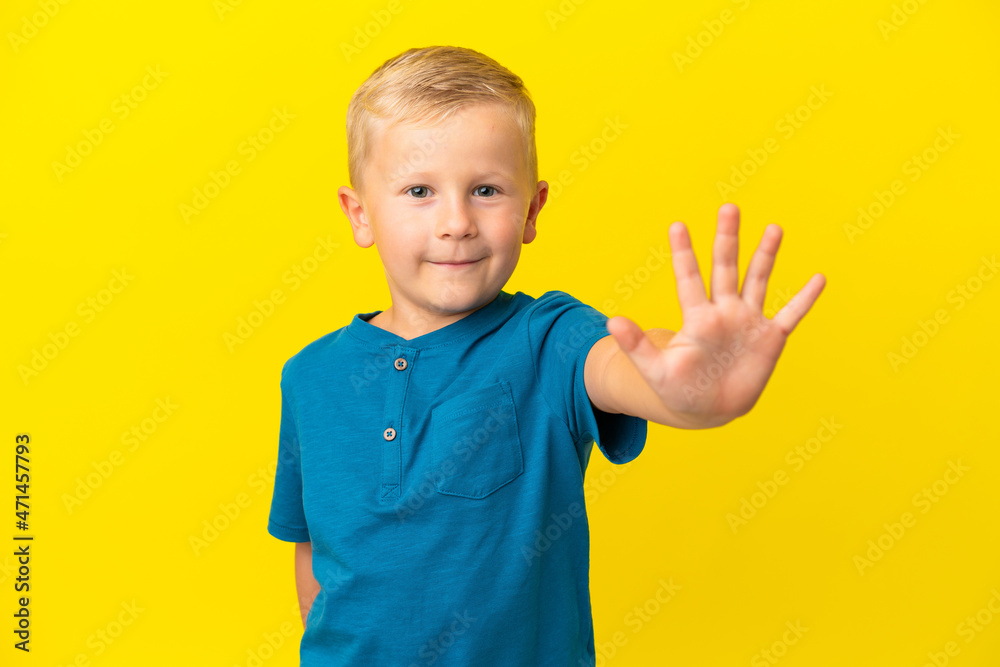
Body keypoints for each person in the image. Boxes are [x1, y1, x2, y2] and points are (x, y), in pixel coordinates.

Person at [266, 44, 825, 666]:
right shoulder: (309, 376)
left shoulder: (550, 337)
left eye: (485, 190)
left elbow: (621, 366)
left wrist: (692, 383)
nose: (456, 222)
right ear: (359, 213)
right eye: (419, 190)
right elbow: (314, 548)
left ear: (532, 209)